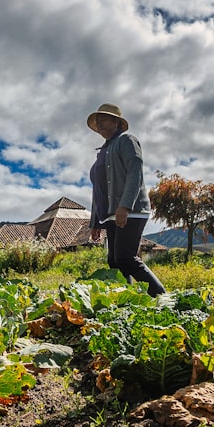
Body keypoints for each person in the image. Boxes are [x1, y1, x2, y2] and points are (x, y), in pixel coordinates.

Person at [86, 103, 166, 297]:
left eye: (104, 119)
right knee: (114, 261)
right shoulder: (103, 151)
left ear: (117, 122)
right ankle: (127, 298)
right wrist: (96, 221)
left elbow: (135, 171)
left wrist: (125, 205)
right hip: (112, 213)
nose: (100, 124)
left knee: (126, 258)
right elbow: (98, 189)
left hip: (130, 209)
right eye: (98, 121)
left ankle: (163, 298)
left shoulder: (126, 140)